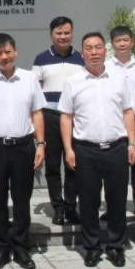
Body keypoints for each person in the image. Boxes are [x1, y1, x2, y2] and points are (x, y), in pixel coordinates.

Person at [59, 32, 135, 268]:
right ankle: (91, 247)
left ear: (105, 50)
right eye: (89, 48)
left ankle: (115, 247)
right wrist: (68, 149)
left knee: (117, 201)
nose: (94, 52)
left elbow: (128, 112)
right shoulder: (73, 82)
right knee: (88, 201)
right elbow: (66, 117)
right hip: (86, 150)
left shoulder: (119, 79)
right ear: (82, 53)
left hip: (116, 148)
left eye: (98, 47)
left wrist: (132, 143)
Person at [0, 34, 46, 269]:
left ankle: (21, 247)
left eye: (8, 52)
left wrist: (41, 144)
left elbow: (37, 113)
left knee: (22, 199)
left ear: (15, 52)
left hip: (23, 146)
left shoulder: (29, 78)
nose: (4, 57)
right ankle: (1, 248)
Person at [32, 17, 84, 226]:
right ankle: (58, 208)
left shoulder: (81, 59)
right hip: (50, 117)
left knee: (73, 164)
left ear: (72, 33)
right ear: (51, 34)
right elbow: (35, 92)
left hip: (75, 118)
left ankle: (71, 207)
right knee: (52, 166)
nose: (63, 37)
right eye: (58, 33)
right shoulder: (41, 59)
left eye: (66, 33)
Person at [104, 25, 135, 219]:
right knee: (115, 169)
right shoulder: (106, 67)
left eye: (125, 40)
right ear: (112, 44)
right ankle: (114, 207)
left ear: (132, 42)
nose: (122, 44)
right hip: (115, 121)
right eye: (118, 40)